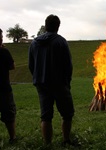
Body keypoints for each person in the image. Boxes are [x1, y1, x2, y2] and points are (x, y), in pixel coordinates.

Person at [28, 15, 76, 146]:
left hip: (41, 84)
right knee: (67, 114)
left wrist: (37, 78)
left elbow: (31, 65)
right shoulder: (61, 42)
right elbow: (68, 65)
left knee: (46, 116)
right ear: (58, 26)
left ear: (45, 25)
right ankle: (66, 140)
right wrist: (67, 81)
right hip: (59, 83)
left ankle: (48, 143)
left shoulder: (34, 43)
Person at [0, 28, 17, 143]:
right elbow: (12, 66)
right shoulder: (4, 52)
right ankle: (12, 138)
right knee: (9, 115)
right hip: (4, 88)